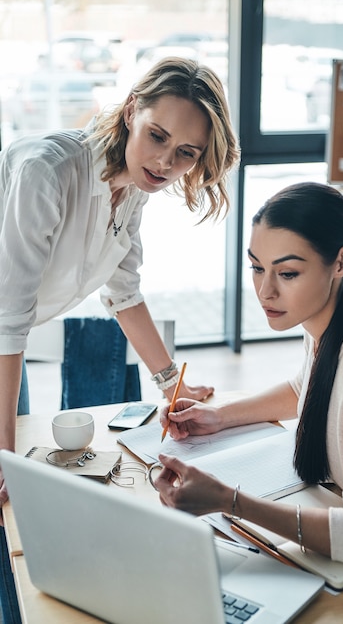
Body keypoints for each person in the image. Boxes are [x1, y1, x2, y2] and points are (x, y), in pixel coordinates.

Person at [0, 56, 240, 623]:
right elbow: (8, 316)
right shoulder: (47, 171)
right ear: (132, 110)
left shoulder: (132, 188)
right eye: (158, 136)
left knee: (17, 504)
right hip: (5, 331)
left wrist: (169, 384)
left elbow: (123, 292)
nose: (165, 161)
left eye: (186, 153)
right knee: (11, 487)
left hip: (8, 337)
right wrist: (4, 452)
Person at [156, 181, 343, 575]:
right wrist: (220, 415)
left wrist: (230, 501)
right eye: (257, 268)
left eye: (288, 273)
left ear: (341, 263)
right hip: (339, 527)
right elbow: (305, 387)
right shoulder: (333, 313)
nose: (265, 290)